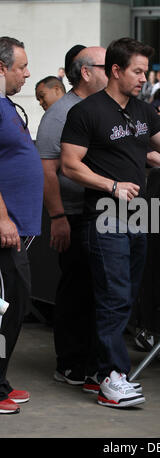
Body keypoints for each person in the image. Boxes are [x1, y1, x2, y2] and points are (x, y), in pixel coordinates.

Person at [60, 37, 160, 408]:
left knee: (125, 295)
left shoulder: (143, 111)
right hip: (104, 216)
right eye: (138, 71)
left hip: (139, 216)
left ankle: (100, 373)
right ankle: (114, 376)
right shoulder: (86, 112)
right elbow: (69, 164)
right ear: (116, 70)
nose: (145, 78)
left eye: (146, 71)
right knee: (113, 296)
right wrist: (110, 185)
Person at [35, 44, 109, 392]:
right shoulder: (60, 114)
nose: (114, 70)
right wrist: (58, 217)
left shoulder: (101, 107)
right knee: (75, 290)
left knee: (96, 291)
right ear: (86, 72)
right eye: (106, 65)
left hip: (101, 214)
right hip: (73, 214)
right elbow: (48, 171)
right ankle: (70, 363)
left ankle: (92, 362)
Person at [0, 37, 44, 414]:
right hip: (5, 227)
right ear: (1, 68)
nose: (27, 73)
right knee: (6, 308)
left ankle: (0, 380)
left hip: (16, 226)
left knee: (14, 306)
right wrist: (2, 217)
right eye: (21, 67)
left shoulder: (6, 106)